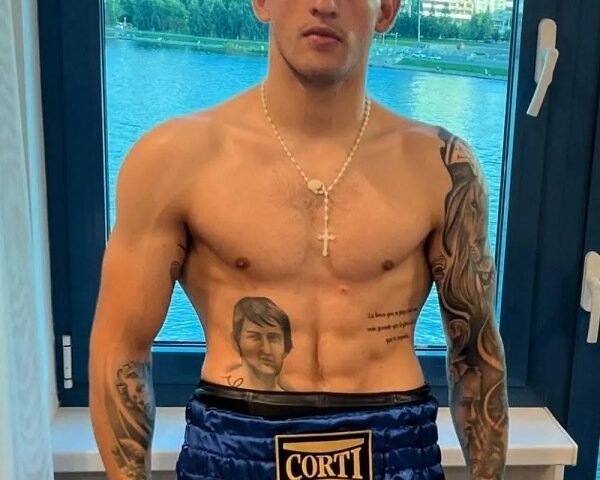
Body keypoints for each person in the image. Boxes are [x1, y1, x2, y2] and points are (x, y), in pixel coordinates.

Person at [89, 0, 509, 479]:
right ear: (262, 2)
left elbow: (476, 356)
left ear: (387, 10)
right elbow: (121, 350)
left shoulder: (440, 168)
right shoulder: (174, 160)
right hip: (234, 444)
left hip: (394, 445)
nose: (324, 5)